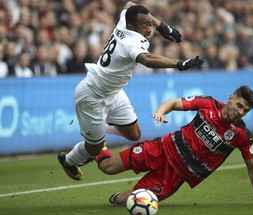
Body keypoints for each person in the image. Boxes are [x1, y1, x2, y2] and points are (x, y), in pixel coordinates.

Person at [57, 1, 204, 181]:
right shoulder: (132, 42)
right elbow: (148, 60)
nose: (149, 28)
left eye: (150, 24)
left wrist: (161, 25)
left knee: (134, 134)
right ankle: (69, 160)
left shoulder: (123, 22)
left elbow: (129, 3)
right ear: (132, 26)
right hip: (92, 96)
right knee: (94, 149)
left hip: (114, 92)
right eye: (145, 25)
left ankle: (99, 131)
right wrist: (179, 63)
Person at [94, 85, 253, 206]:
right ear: (231, 99)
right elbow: (173, 103)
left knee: (125, 202)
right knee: (107, 167)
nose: (240, 112)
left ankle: (117, 198)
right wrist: (159, 112)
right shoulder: (208, 104)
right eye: (239, 105)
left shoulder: (242, 135)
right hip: (161, 148)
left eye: (245, 110)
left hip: (175, 175)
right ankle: (95, 143)